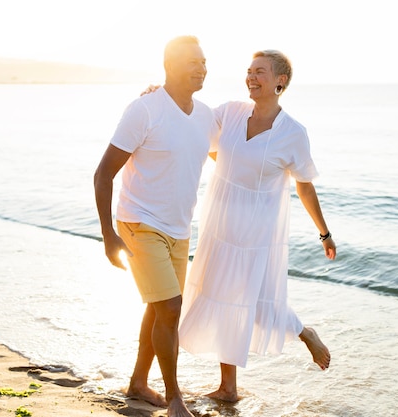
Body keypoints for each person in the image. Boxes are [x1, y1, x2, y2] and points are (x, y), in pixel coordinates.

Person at [177, 49, 336, 402]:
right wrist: (161, 93)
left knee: (258, 305)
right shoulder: (232, 112)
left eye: (259, 71)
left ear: (281, 81)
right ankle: (228, 387)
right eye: (248, 71)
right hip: (220, 223)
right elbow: (193, 120)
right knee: (220, 298)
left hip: (257, 231)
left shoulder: (293, 133)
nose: (251, 77)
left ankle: (304, 332)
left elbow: (304, 184)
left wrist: (323, 232)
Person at [93, 35, 217, 417]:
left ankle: (137, 383)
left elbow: (228, 158)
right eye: (193, 62)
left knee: (158, 308)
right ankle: (175, 398)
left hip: (179, 230)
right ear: (170, 66)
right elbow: (103, 174)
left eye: (204, 61)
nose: (202, 68)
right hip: (138, 222)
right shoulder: (144, 110)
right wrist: (107, 234)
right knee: (171, 307)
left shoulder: (206, 116)